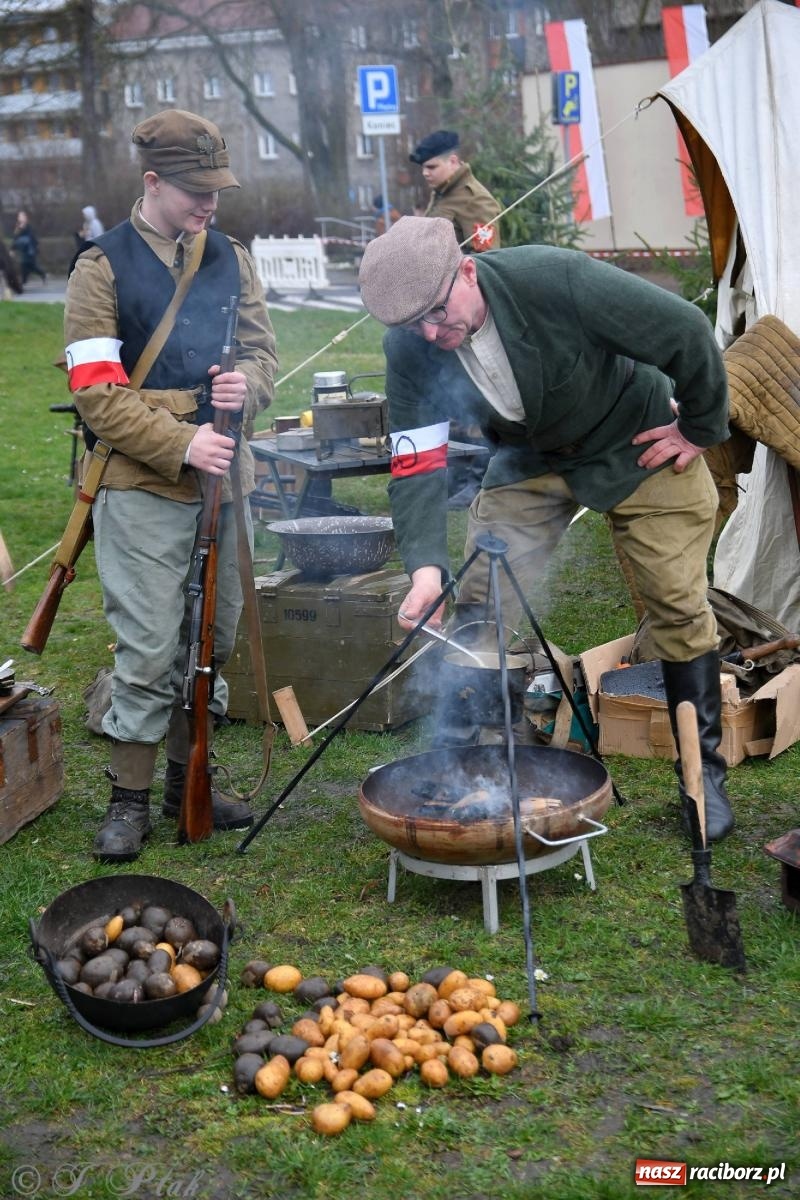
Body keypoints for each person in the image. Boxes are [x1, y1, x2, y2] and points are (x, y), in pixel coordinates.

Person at [358, 216, 735, 843]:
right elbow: (416, 459)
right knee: (481, 598)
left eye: (437, 313)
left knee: (675, 600)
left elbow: (685, 330)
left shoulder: (554, 281)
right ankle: (478, 754)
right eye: (412, 325)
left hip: (635, 441)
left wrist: (699, 426)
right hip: (531, 456)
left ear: (468, 271)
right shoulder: (411, 346)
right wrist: (425, 565)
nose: (430, 333)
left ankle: (703, 777)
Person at [64, 108, 277, 862]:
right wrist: (183, 439)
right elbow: (96, 392)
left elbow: (261, 352)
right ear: (153, 182)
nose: (210, 204)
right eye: (195, 191)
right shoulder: (102, 267)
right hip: (143, 483)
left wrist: (243, 390)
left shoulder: (231, 256)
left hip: (226, 481)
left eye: (217, 188)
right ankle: (128, 799)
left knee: (211, 643)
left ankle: (196, 778)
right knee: (150, 647)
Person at [409, 130, 502, 253]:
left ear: (452, 161)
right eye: (424, 167)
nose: (425, 173)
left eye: (432, 167)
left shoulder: (474, 198)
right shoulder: (441, 191)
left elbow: (485, 259)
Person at [12, 210, 46, 285]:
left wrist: (36, 247)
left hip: (30, 250)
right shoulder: (18, 228)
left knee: (30, 265)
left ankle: (41, 274)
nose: (20, 218)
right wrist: (13, 249)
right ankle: (24, 280)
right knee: (25, 265)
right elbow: (15, 239)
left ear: (26, 218)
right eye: (19, 216)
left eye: (22, 216)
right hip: (24, 250)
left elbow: (33, 238)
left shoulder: (29, 227)